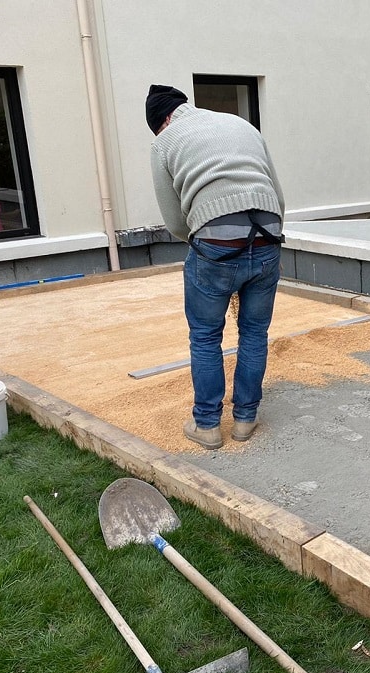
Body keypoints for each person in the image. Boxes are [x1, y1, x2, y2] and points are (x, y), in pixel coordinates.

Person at [146, 84, 285, 450]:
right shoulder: (241, 125)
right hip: (269, 234)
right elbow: (278, 196)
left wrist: (207, 242)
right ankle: (245, 419)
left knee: (206, 336)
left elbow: (175, 220)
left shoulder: (164, 141)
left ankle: (207, 425)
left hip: (217, 244)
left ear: (162, 121)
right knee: (254, 333)